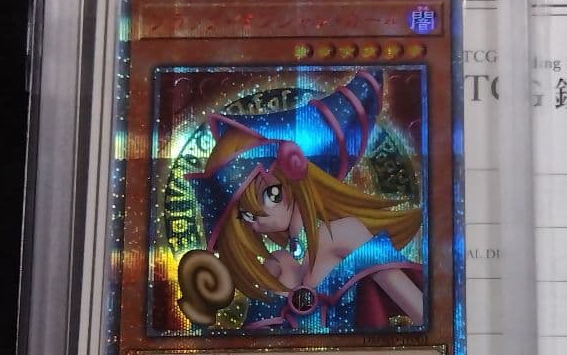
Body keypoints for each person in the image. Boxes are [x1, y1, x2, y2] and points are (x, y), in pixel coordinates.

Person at [176, 69, 425, 332]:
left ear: (295, 177)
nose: (260, 218)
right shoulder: (275, 264)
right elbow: (254, 343)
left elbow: (419, 311)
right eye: (246, 215)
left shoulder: (344, 234)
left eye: (270, 195)